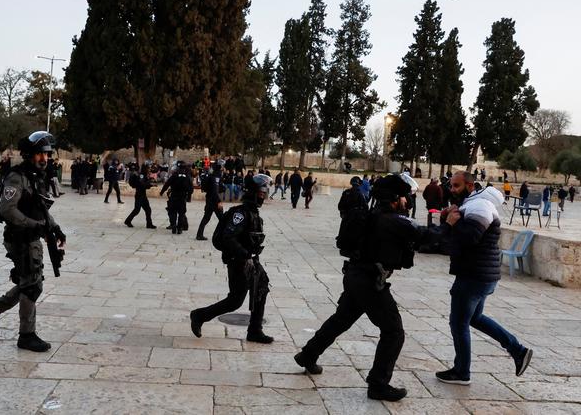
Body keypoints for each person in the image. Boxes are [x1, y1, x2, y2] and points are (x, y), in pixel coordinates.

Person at [294, 175, 424, 402]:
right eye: (404, 196)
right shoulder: (392, 220)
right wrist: (451, 224)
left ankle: (308, 355)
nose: (407, 201)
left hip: (355, 275)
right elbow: (427, 236)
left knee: (341, 320)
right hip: (370, 282)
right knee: (393, 332)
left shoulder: (373, 215)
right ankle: (378, 384)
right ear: (395, 197)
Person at [435, 171, 532, 385]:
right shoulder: (473, 203)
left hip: (473, 276)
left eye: (457, 186)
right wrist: (448, 217)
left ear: (470, 186)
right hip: (481, 274)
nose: (452, 190)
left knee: (458, 322)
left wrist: (452, 222)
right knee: (474, 318)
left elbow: (470, 237)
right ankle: (518, 350)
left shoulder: (480, 206)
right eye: (451, 186)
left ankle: (462, 372)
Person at [0, 131, 66, 352]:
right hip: (19, 238)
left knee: (30, 283)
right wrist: (35, 225)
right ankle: (26, 335)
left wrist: (55, 228)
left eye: (46, 154)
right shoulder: (17, 177)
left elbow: (40, 208)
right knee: (32, 285)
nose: (44, 159)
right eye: (39, 154)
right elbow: (6, 210)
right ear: (28, 154)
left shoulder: (35, 176)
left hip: (32, 237)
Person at [190, 173, 274, 344]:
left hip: (250, 260)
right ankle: (199, 315)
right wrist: (243, 254)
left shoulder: (252, 212)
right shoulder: (241, 214)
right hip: (239, 262)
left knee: (261, 289)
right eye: (262, 192)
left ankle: (255, 330)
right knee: (235, 301)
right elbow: (228, 237)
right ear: (255, 192)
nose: (264, 196)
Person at [160, 162, 192, 234]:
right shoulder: (187, 177)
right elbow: (191, 189)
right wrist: (189, 197)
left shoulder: (174, 175)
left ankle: (174, 226)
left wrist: (162, 192)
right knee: (181, 213)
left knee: (173, 212)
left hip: (174, 197)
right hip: (182, 198)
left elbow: (167, 184)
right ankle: (180, 228)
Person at [196, 162, 223, 240]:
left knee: (206, 218)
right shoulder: (215, 177)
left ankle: (199, 234)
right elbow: (215, 191)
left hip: (209, 200)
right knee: (222, 219)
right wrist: (219, 201)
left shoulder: (211, 176)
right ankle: (222, 236)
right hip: (214, 200)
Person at [125, 164, 156, 229]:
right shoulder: (141, 175)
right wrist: (150, 184)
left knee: (148, 210)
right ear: (145, 169)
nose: (149, 169)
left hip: (143, 195)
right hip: (139, 195)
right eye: (148, 168)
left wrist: (150, 183)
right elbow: (142, 184)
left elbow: (144, 184)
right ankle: (128, 221)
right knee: (137, 210)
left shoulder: (144, 175)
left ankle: (149, 224)